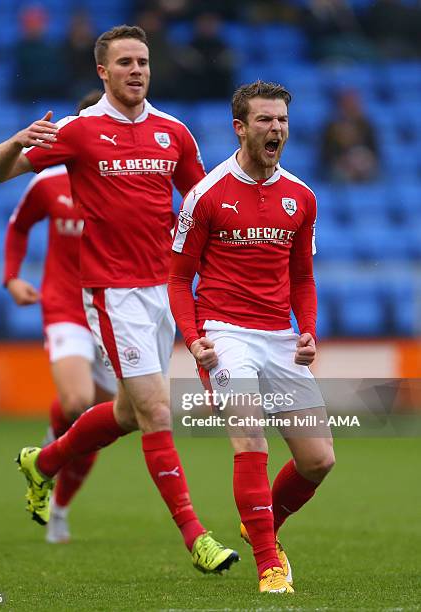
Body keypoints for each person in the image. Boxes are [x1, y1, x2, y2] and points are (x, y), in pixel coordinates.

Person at [0, 25, 239, 574]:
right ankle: (196, 537)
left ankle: (42, 461)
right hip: (111, 293)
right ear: (103, 71)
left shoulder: (174, 132)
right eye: (124, 62)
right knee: (154, 410)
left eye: (143, 61)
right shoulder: (79, 131)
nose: (137, 70)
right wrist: (14, 143)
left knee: (127, 413)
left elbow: (202, 205)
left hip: (162, 292)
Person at [168, 80, 335, 594]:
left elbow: (303, 278)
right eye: (264, 120)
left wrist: (307, 330)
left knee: (318, 459)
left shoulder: (301, 197)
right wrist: (194, 339)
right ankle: (269, 566)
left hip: (279, 336)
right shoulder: (207, 195)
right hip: (224, 334)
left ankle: (261, 523)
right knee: (250, 437)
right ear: (240, 127)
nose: (276, 129)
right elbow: (178, 278)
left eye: (282, 119)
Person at [4, 90, 117, 544]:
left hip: (116, 308)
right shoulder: (48, 182)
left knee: (108, 422)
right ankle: (53, 442)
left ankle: (61, 507)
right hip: (65, 304)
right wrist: (12, 277)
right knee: (78, 405)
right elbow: (18, 226)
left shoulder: (130, 183)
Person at [320, 88, 379, 183]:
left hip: (364, 167)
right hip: (339, 167)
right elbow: (325, 156)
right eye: (347, 104)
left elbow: (375, 152)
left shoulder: (366, 126)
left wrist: (363, 159)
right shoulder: (331, 127)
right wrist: (343, 161)